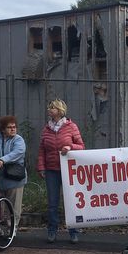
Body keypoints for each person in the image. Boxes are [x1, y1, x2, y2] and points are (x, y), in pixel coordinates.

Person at [36, 99, 85, 244]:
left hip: (68, 169)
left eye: (52, 108)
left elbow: (81, 146)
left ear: (60, 110)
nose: (49, 110)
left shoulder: (71, 126)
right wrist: (41, 167)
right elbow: (41, 150)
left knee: (70, 202)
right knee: (52, 203)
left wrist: (70, 147)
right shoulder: (46, 129)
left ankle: (73, 231)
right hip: (51, 170)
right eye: (49, 108)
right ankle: (52, 230)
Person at [0, 115, 27, 234]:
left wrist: (3, 159)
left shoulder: (18, 140)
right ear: (3, 129)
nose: (13, 129)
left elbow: (18, 152)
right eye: (10, 127)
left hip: (15, 178)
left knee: (14, 205)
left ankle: (12, 227)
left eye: (14, 127)